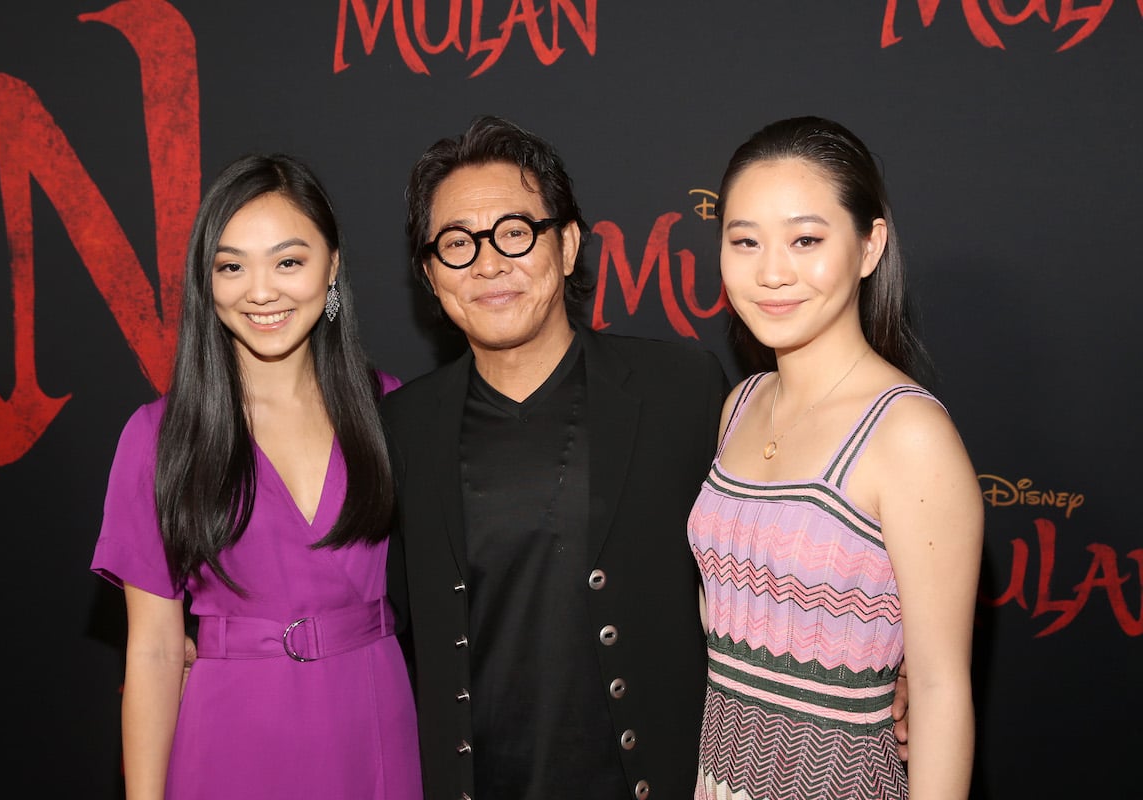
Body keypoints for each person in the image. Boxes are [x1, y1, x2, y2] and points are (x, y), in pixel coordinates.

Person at [381, 115, 730, 800]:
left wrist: (878, 666)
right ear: (429, 274)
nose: (487, 263)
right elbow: (364, 609)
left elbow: (766, 562)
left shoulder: (682, 390)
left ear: (567, 245)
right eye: (456, 243)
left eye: (514, 232)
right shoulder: (400, 427)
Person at [90, 153, 422, 799]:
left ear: (332, 267)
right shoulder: (159, 436)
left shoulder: (396, 411)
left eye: (288, 261)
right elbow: (155, 651)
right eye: (232, 266)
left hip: (373, 725)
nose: (261, 290)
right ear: (206, 283)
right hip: (228, 733)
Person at [687, 116, 983, 799]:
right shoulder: (741, 406)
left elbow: (939, 690)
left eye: (806, 239)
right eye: (744, 241)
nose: (771, 272)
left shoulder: (907, 434)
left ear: (869, 245)